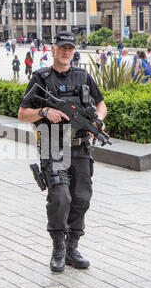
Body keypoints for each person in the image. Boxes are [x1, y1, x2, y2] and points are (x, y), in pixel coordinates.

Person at [18, 31, 107, 273]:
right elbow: (23, 113)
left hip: (80, 148)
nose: (66, 52)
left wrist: (98, 121)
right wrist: (45, 112)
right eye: (62, 48)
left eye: (70, 48)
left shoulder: (83, 76)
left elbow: (101, 104)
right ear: (53, 49)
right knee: (60, 197)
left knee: (81, 198)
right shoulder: (40, 78)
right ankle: (58, 247)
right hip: (52, 145)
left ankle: (72, 247)